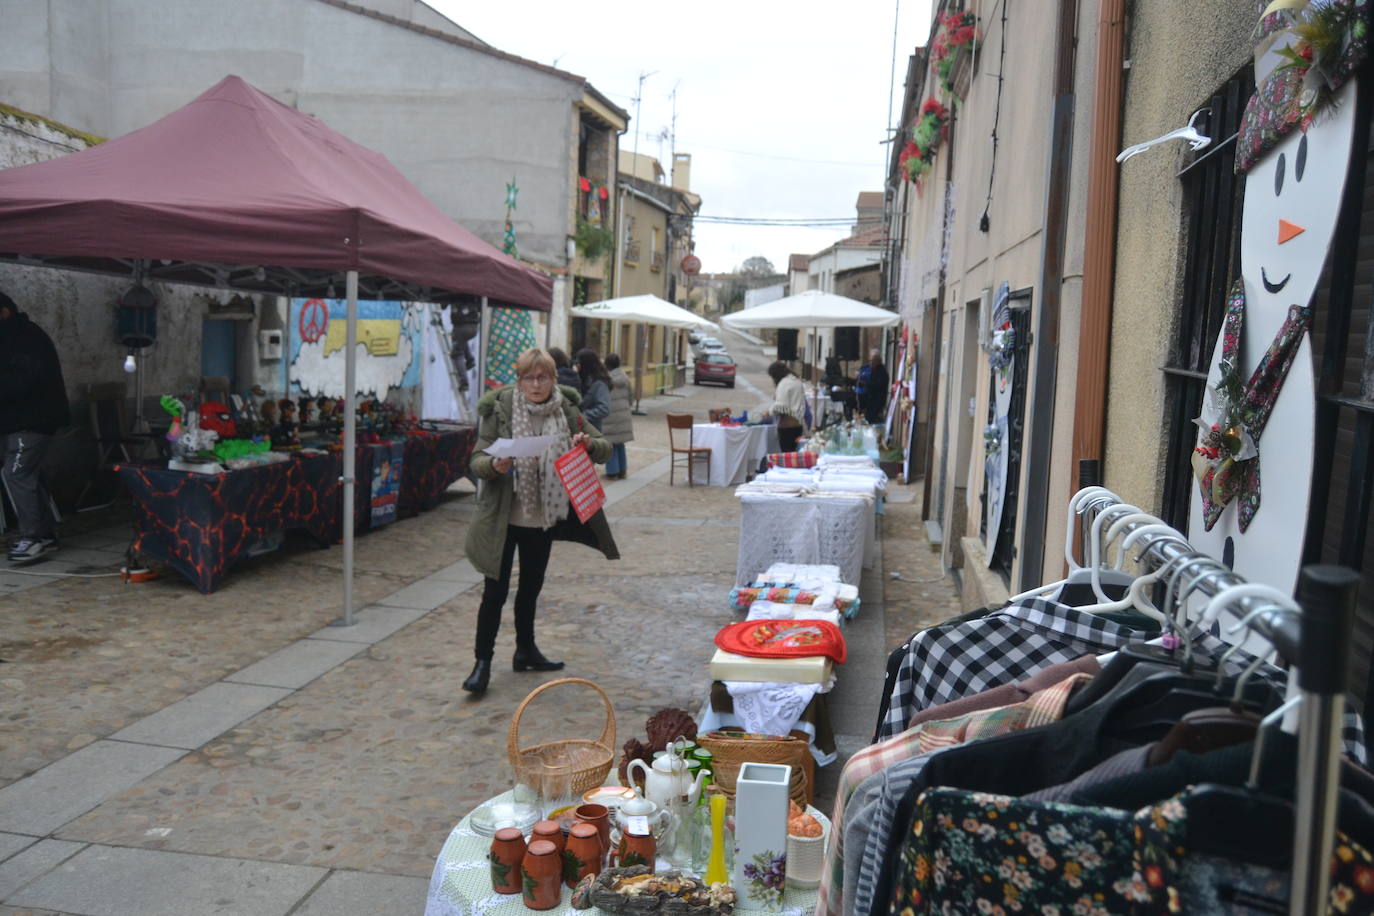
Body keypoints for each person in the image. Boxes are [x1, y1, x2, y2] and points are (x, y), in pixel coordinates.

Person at [462, 348, 617, 695]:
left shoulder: (567, 409)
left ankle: (525, 650)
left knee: (530, 588)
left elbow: (606, 447)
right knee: (495, 592)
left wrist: (589, 444)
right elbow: (476, 459)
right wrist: (494, 465)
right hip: (502, 517)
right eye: (529, 377)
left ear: (553, 378)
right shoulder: (500, 407)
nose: (536, 384)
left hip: (543, 517)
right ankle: (482, 663)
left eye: (543, 377)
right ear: (519, 380)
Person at [0, 291, 69, 562]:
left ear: (4, 311)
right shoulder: (17, 334)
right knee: (28, 474)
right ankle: (46, 535)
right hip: (27, 419)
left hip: (32, 420)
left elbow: (22, 379)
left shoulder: (23, 337)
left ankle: (32, 538)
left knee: (15, 474)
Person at [601, 353, 634, 480]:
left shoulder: (606, 379)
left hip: (610, 415)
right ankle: (622, 469)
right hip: (623, 414)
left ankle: (612, 471)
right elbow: (631, 396)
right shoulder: (625, 377)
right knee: (620, 444)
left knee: (610, 444)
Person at [767, 360, 807, 452]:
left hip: (787, 426)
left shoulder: (784, 383)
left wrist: (769, 411)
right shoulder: (797, 381)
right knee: (794, 453)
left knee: (787, 454)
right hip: (798, 424)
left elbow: (781, 406)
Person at [574, 348, 611, 433]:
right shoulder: (581, 379)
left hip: (591, 430)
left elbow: (604, 408)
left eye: (579, 363)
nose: (577, 366)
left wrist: (583, 416)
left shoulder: (599, 384)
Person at [861, 349, 890, 424]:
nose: (870, 363)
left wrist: (865, 383)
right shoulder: (873, 370)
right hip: (870, 402)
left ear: (877, 361)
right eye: (870, 360)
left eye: (872, 361)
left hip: (876, 403)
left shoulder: (881, 372)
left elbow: (877, 385)